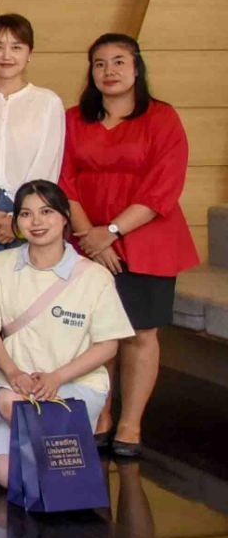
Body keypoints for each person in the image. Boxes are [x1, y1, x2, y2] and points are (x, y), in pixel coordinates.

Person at [60, 34, 197, 458]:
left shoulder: (162, 118)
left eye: (119, 61)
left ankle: (130, 424)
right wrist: (90, 236)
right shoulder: (72, 119)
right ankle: (99, 414)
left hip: (147, 238)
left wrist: (113, 231)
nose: (109, 71)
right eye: (100, 63)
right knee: (93, 331)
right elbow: (63, 181)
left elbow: (164, 186)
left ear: (137, 68)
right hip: (86, 239)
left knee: (140, 331)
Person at [0, 180, 133, 486]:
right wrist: (13, 372)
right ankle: (63, 461)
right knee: (10, 478)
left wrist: (57, 378)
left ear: (64, 217)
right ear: (17, 222)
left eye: (46, 212)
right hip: (14, 386)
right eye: (26, 214)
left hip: (74, 387)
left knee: (34, 474)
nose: (37, 222)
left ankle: (59, 459)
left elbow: (108, 346)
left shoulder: (94, 276)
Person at [0, 14, 65, 276]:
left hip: (31, 215)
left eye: (16, 47)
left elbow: (48, 162)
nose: (7, 55)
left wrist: (20, 216)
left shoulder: (47, 102)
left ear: (29, 53)